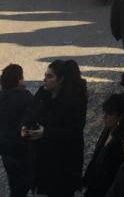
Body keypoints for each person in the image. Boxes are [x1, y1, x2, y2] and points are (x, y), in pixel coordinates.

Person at [25, 59, 88, 197]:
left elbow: (74, 131)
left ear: (60, 80)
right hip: (42, 160)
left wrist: (46, 132)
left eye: (50, 76)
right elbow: (32, 113)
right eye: (45, 75)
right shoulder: (42, 93)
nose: (44, 79)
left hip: (63, 163)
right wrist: (26, 126)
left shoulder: (73, 101)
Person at [82, 92, 124, 197]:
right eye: (104, 112)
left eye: (109, 114)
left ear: (120, 117)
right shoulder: (109, 129)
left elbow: (113, 173)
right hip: (95, 184)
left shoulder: (122, 141)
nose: (104, 117)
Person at [0, 63, 33, 197]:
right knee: (24, 183)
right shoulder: (25, 96)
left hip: (5, 147)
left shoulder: (1, 97)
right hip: (22, 147)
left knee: (14, 180)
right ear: (18, 80)